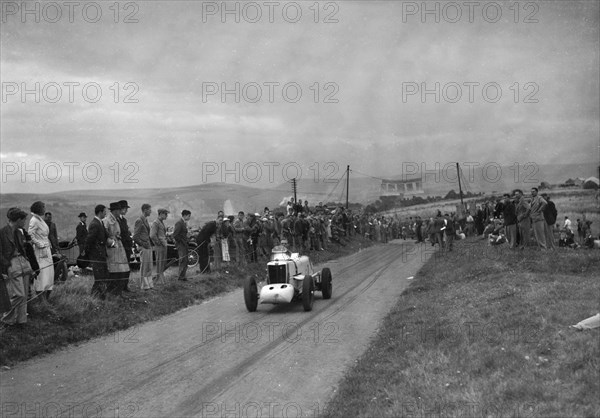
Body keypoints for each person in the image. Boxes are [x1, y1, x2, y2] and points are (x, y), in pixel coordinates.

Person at [0, 208, 33, 328]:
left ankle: (21, 321)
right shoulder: (2, 232)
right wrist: (6, 265)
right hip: (12, 264)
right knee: (19, 295)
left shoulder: (19, 232)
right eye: (23, 220)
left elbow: (22, 250)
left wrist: (28, 263)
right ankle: (6, 319)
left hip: (23, 263)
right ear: (18, 219)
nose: (25, 222)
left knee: (24, 294)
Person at [103, 202, 130, 296]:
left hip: (118, 247)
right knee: (114, 271)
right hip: (112, 249)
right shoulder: (107, 220)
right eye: (119, 210)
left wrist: (118, 237)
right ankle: (112, 292)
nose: (120, 211)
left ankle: (118, 292)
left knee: (121, 270)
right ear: (114, 211)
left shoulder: (116, 219)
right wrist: (112, 242)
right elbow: (104, 236)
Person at [29, 201, 54, 299]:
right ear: (39, 208)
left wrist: (48, 244)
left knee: (49, 276)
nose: (45, 209)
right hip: (40, 252)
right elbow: (30, 235)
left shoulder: (40, 219)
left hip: (47, 250)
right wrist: (40, 244)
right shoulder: (34, 220)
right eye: (43, 207)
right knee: (42, 276)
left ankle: (46, 299)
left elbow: (45, 235)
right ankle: (41, 300)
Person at [84, 204, 109, 298]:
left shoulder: (100, 222)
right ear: (100, 212)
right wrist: (89, 255)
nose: (106, 213)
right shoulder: (95, 224)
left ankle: (99, 295)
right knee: (99, 276)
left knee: (102, 275)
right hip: (96, 255)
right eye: (105, 212)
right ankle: (95, 296)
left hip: (100, 253)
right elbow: (89, 240)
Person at [133, 204, 154, 290]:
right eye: (149, 210)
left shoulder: (145, 220)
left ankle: (149, 284)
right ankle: (144, 285)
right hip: (144, 246)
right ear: (145, 210)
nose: (151, 211)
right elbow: (135, 236)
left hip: (148, 246)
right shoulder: (139, 220)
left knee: (149, 266)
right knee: (145, 266)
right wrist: (142, 244)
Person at [117, 200, 134, 292]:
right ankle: (121, 286)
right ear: (121, 209)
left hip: (126, 247)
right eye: (125, 209)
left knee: (127, 267)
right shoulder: (117, 220)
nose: (126, 211)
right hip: (121, 247)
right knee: (122, 268)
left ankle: (124, 286)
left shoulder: (123, 220)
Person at [150, 208, 169, 283]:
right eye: (165, 214)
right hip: (160, 246)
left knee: (162, 263)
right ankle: (159, 280)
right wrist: (158, 243)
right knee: (160, 262)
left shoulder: (161, 222)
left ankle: (160, 279)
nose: (167, 216)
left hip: (163, 245)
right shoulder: (156, 223)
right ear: (161, 214)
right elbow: (152, 235)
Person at [173, 210, 191, 281]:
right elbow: (175, 235)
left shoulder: (184, 223)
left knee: (185, 260)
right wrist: (181, 242)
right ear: (185, 215)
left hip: (184, 244)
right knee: (182, 259)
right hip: (181, 245)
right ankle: (180, 276)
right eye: (189, 216)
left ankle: (183, 276)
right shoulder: (179, 223)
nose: (189, 218)